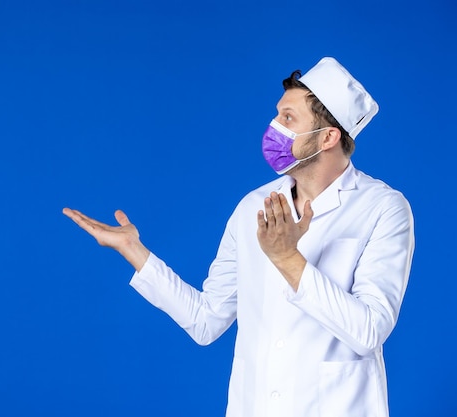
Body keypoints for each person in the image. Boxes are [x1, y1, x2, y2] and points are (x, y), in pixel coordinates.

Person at [62, 57, 414, 417]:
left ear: (328, 137)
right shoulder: (252, 207)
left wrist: (287, 258)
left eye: (288, 119)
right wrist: (134, 250)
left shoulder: (383, 208)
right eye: (277, 115)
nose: (274, 127)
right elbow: (206, 321)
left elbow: (369, 331)